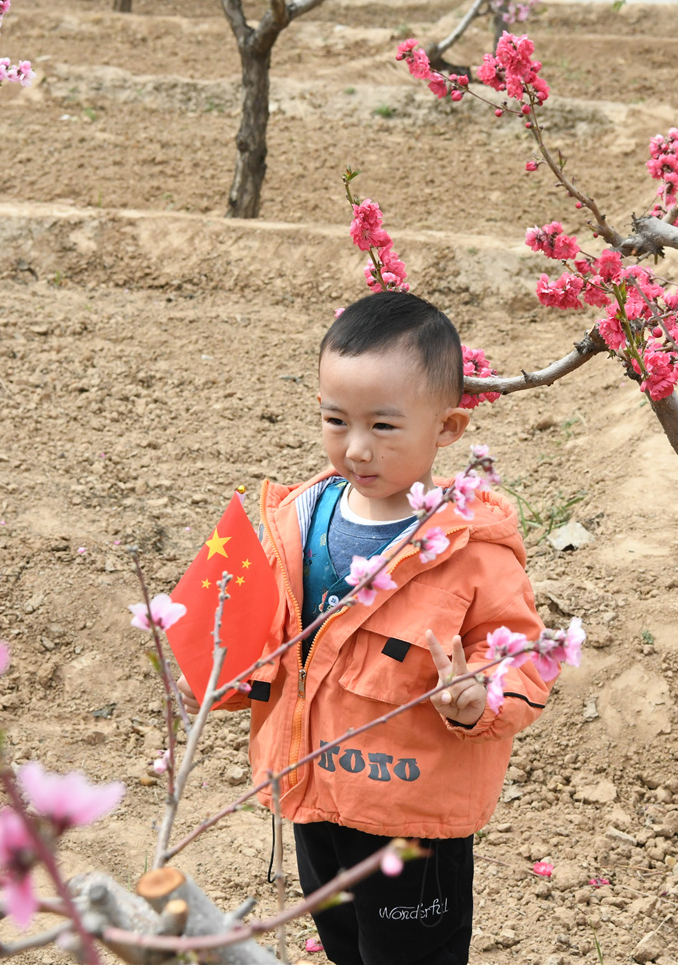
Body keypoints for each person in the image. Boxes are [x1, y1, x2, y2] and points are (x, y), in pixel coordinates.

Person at [183, 291, 552, 965]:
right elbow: (270, 644)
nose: (356, 448)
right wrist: (217, 680)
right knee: (345, 948)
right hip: (312, 795)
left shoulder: (471, 547)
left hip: (413, 821)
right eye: (334, 419)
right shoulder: (296, 520)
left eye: (384, 426)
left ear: (447, 429)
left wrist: (481, 696)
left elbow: (520, 653)